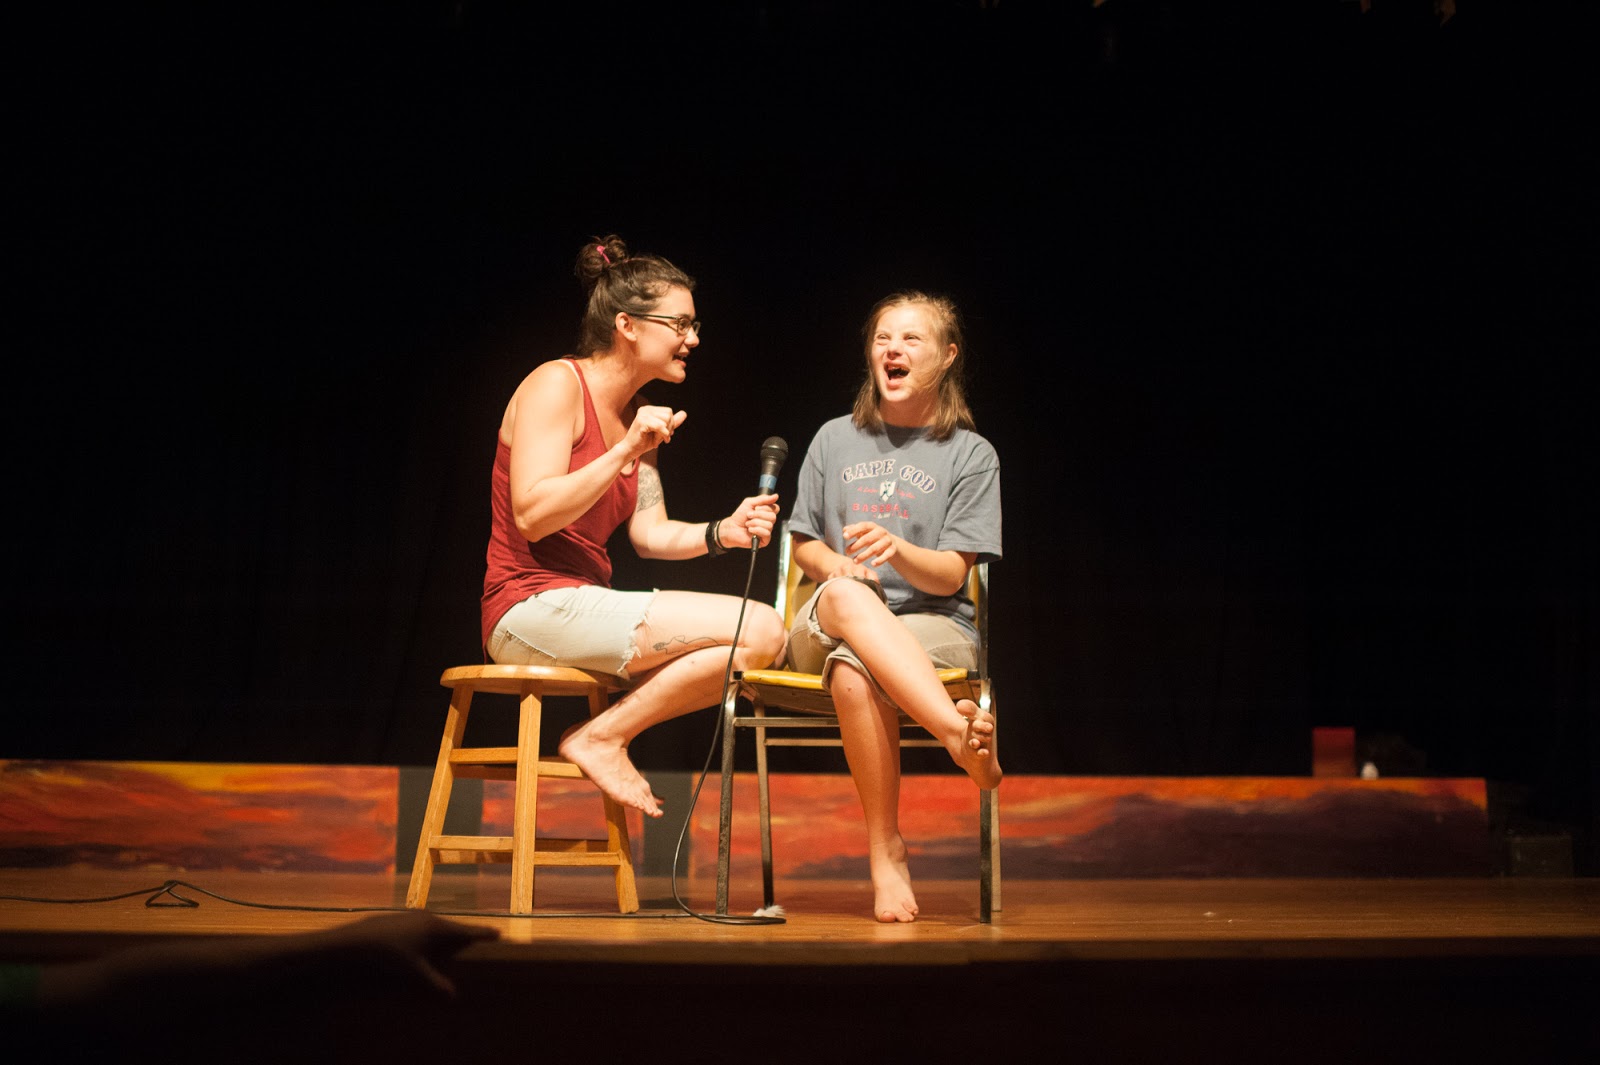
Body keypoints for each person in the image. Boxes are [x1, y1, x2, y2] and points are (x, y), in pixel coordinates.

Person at [482, 234, 787, 819]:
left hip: (581, 602)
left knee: (759, 639)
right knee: (760, 629)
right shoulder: (556, 384)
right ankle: (602, 737)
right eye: (680, 324)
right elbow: (533, 514)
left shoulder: (634, 414)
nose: (692, 339)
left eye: (694, 326)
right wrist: (624, 449)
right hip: (524, 606)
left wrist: (723, 530)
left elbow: (650, 535)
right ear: (626, 325)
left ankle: (605, 734)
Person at [785, 290, 1002, 923]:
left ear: (947, 356)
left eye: (911, 339)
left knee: (856, 672)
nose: (893, 349)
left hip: (933, 625)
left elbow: (951, 574)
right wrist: (838, 566)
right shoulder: (834, 438)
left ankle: (886, 852)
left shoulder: (971, 454)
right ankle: (955, 735)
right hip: (828, 620)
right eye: (883, 338)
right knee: (847, 597)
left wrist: (898, 551)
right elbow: (803, 543)